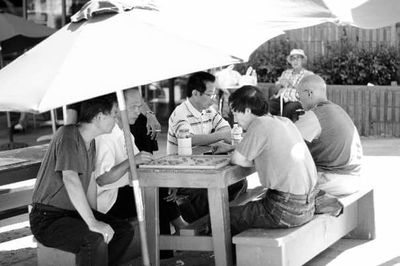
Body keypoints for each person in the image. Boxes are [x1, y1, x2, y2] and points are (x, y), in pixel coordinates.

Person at [29, 95, 135, 266]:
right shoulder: (68, 134)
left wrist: (95, 216)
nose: (117, 119)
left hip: (71, 214)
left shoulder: (90, 142)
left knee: (123, 230)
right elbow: (70, 178)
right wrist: (93, 223)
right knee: (93, 239)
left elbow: (91, 181)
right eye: (114, 114)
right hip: (47, 218)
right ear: (100, 116)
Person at [225, 85, 318, 236]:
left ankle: (229, 259)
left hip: (285, 210)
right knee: (246, 206)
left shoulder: (259, 124)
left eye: (236, 113)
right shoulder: (284, 122)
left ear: (248, 110)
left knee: (224, 217)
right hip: (308, 205)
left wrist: (250, 160)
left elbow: (237, 159)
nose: (235, 120)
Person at [94, 89, 188, 230]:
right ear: (117, 109)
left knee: (159, 189)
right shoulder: (106, 135)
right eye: (133, 107)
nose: (138, 111)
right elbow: (102, 179)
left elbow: (142, 165)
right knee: (155, 196)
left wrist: (167, 181)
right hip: (108, 199)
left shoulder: (125, 131)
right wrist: (132, 161)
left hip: (125, 189)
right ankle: (176, 232)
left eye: (139, 106)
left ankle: (172, 238)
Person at [166, 71, 246, 222]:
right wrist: (218, 137)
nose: (213, 99)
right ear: (195, 93)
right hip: (183, 173)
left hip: (205, 168)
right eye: (210, 95)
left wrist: (214, 138)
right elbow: (188, 140)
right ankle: (209, 225)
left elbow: (226, 129)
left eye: (214, 95)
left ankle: (219, 223)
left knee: (238, 182)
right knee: (214, 189)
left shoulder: (209, 111)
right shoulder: (180, 113)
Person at [295, 75, 363, 196]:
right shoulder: (337, 109)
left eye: (298, 96)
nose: (299, 101)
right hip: (354, 178)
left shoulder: (315, 115)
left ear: (309, 93)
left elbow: (288, 139)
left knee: (284, 183)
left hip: (335, 180)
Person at [269, 49, 314, 122]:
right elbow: (276, 88)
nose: (295, 61)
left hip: (297, 100)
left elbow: (308, 90)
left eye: (298, 59)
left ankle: (286, 130)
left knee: (288, 109)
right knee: (269, 106)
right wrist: (279, 84)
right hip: (282, 97)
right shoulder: (286, 73)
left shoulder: (308, 74)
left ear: (302, 60)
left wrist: (291, 83)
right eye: (293, 59)